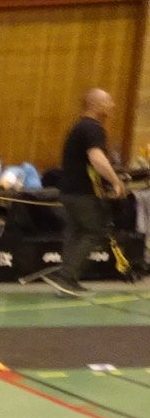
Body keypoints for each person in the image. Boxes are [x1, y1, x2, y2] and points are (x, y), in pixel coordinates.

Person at [54, 88, 125, 295]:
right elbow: (96, 158)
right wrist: (115, 181)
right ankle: (67, 277)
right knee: (94, 231)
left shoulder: (79, 126)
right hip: (82, 193)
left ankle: (67, 282)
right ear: (96, 104)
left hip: (68, 191)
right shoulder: (93, 128)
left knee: (74, 234)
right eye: (108, 101)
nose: (112, 106)